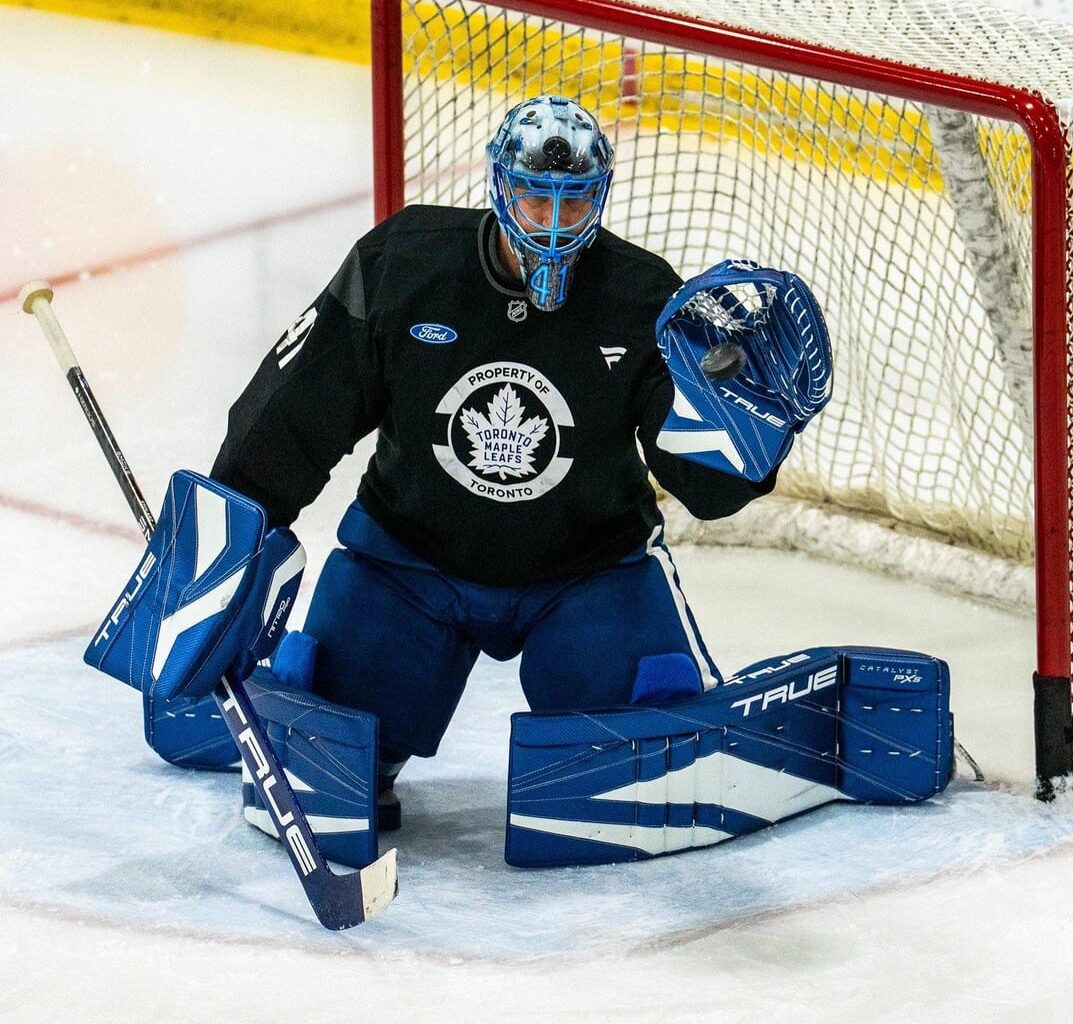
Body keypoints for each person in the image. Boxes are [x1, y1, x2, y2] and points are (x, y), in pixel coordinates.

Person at [198, 95, 827, 829]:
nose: (554, 222)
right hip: (409, 565)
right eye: (535, 199)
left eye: (576, 201)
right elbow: (297, 412)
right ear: (499, 187)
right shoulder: (403, 264)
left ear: (603, 195)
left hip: (590, 573)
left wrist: (747, 436)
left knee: (640, 769)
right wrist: (218, 546)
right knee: (332, 758)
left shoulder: (640, 295)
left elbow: (700, 484)